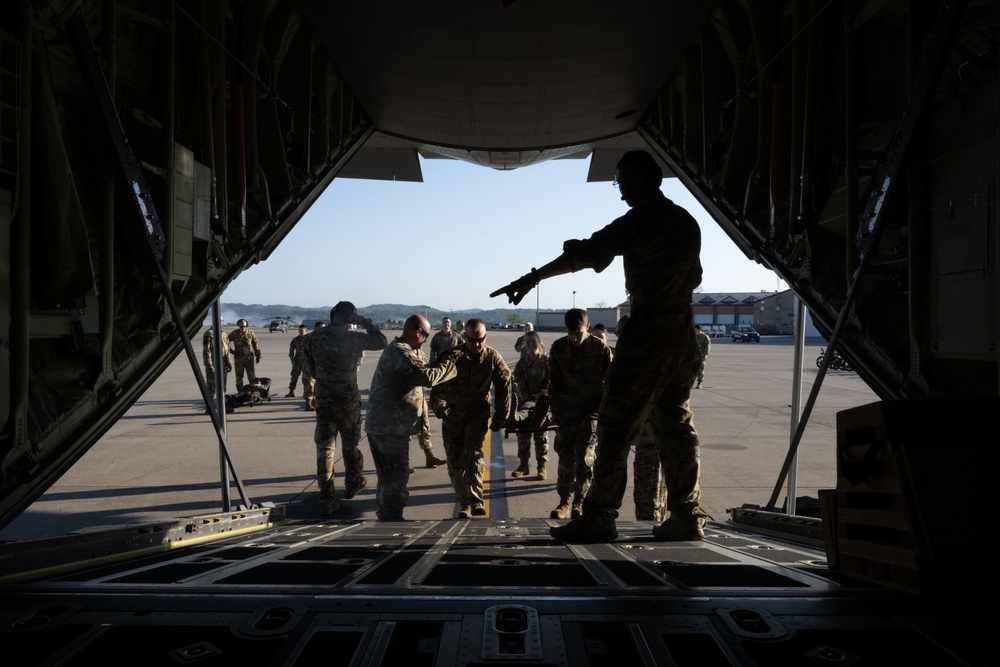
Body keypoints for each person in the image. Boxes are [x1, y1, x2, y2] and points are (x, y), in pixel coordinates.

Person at [491, 149, 707, 542]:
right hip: (682, 334)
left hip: (649, 335)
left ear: (648, 180)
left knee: (615, 425)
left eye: (626, 182)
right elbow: (695, 275)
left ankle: (600, 516)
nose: (621, 190)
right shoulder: (686, 222)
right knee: (676, 425)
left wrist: (532, 277)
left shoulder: (644, 218)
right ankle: (686, 515)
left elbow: (586, 252)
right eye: (619, 183)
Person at [365, 315, 457, 521]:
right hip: (388, 427)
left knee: (388, 478)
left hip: (391, 426)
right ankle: (392, 521)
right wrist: (452, 366)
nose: (426, 340)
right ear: (418, 332)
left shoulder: (410, 350)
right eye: (426, 335)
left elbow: (427, 366)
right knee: (396, 479)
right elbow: (425, 377)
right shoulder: (400, 352)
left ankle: (385, 515)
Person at [302, 302, 388, 516]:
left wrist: (327, 379)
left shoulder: (312, 338)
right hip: (347, 399)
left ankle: (327, 499)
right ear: (352, 318)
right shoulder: (352, 338)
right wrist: (366, 322)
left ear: (332, 315)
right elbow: (381, 341)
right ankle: (352, 483)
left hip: (324, 399)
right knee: (350, 446)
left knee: (325, 449)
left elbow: (310, 368)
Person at [430, 318, 513, 519]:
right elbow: (437, 386)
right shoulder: (452, 356)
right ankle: (463, 501)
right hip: (454, 415)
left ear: (486, 336)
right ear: (464, 336)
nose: (476, 344)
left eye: (481, 339)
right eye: (472, 340)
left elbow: (505, 386)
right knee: (455, 459)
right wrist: (441, 410)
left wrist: (501, 416)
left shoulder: (493, 357)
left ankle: (476, 500)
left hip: (477, 413)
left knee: (474, 455)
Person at [546, 309, 612, 519]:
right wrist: (554, 410)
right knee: (565, 459)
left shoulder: (599, 348)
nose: (574, 338)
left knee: (584, 458)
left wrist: (607, 412)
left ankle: (579, 503)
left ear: (587, 326)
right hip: (566, 413)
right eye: (571, 334)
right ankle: (564, 502)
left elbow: (611, 382)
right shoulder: (558, 347)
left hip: (591, 412)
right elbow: (554, 383)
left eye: (578, 333)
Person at [615, 315, 667, 522]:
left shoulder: (652, 357)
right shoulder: (621, 357)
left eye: (622, 332)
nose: (619, 336)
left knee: (648, 494)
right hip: (626, 431)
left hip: (650, 435)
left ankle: (650, 532)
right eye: (618, 333)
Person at [511, 330, 549, 480]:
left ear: (539, 343)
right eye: (527, 342)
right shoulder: (521, 364)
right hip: (527, 400)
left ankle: (542, 466)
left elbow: (550, 381)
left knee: (540, 432)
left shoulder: (547, 362)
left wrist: (542, 394)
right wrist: (531, 397)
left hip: (544, 401)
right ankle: (523, 465)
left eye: (533, 341)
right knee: (524, 430)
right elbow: (520, 384)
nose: (530, 344)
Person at [202, 320, 231, 413]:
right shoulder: (209, 334)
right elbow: (206, 351)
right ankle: (209, 408)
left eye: (222, 320)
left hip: (223, 365)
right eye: (219, 320)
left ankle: (221, 407)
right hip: (213, 365)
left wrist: (229, 362)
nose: (221, 322)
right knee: (211, 387)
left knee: (223, 387)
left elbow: (227, 349)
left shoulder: (223, 334)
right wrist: (209, 366)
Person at [230, 319, 261, 391]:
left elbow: (256, 344)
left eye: (245, 326)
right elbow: (225, 341)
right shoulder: (234, 333)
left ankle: (253, 392)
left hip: (249, 358)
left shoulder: (251, 333)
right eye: (241, 326)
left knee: (252, 376)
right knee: (239, 377)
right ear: (238, 326)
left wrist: (258, 355)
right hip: (238, 359)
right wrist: (231, 351)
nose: (243, 328)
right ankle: (240, 392)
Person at [302, 321, 326, 410]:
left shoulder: (324, 338)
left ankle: (315, 402)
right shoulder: (308, 337)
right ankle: (308, 403)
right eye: (321, 328)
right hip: (309, 364)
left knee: (318, 385)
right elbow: (304, 352)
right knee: (309, 384)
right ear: (316, 328)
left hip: (320, 365)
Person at [285, 324, 310, 397]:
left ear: (306, 330)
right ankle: (291, 391)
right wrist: (292, 360)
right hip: (297, 362)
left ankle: (307, 393)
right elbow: (291, 351)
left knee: (306, 379)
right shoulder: (295, 339)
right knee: (294, 377)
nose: (300, 332)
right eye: (299, 330)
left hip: (307, 362)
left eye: (302, 331)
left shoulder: (309, 339)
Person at [694, 324, 711, 389]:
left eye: (696, 330)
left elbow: (707, 347)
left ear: (699, 329)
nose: (694, 331)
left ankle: (699, 383)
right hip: (694, 356)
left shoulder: (705, 337)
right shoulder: (693, 336)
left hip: (701, 356)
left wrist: (704, 355)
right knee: (692, 370)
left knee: (700, 370)